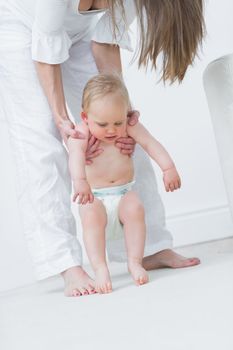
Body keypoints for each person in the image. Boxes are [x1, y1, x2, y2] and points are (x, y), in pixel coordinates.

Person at [0, 0, 204, 297]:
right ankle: (67, 264)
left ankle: (149, 247)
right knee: (42, 142)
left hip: (82, 32)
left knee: (122, 132)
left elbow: (106, 42)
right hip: (23, 26)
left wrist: (122, 115)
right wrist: (62, 119)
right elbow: (46, 47)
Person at [68, 73, 181, 294]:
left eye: (117, 122)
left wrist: (168, 168)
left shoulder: (129, 126)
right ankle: (100, 268)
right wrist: (80, 181)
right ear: (85, 117)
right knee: (90, 216)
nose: (111, 130)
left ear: (127, 115)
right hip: (95, 196)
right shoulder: (81, 132)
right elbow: (75, 156)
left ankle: (135, 261)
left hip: (123, 192)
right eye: (103, 124)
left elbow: (150, 143)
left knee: (136, 208)